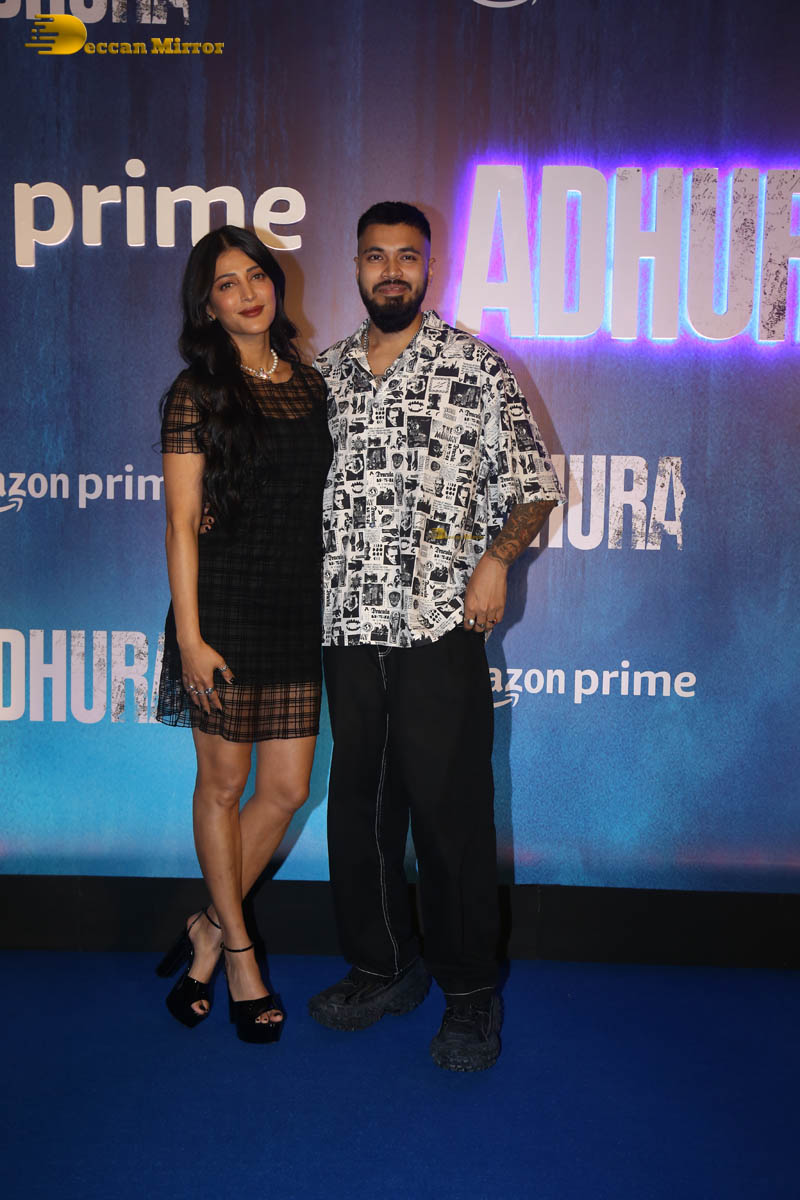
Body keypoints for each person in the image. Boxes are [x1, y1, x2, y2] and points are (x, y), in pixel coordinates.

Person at [308, 202, 565, 1071]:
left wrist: (496, 560)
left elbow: (532, 484)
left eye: (406, 257)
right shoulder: (325, 375)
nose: (391, 271)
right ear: (355, 266)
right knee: (361, 809)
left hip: (437, 625)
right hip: (348, 623)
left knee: (450, 816)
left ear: (428, 267)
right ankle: (383, 965)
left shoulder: (475, 367)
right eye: (375, 256)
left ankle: (468, 994)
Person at [154, 225, 332, 1043]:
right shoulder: (195, 392)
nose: (247, 293)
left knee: (287, 791)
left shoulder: (313, 385)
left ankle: (204, 928)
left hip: (294, 610)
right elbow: (181, 524)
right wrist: (190, 639)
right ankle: (237, 955)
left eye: (255, 275)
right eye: (226, 284)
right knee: (223, 787)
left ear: (274, 283)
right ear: (208, 307)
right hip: (220, 612)